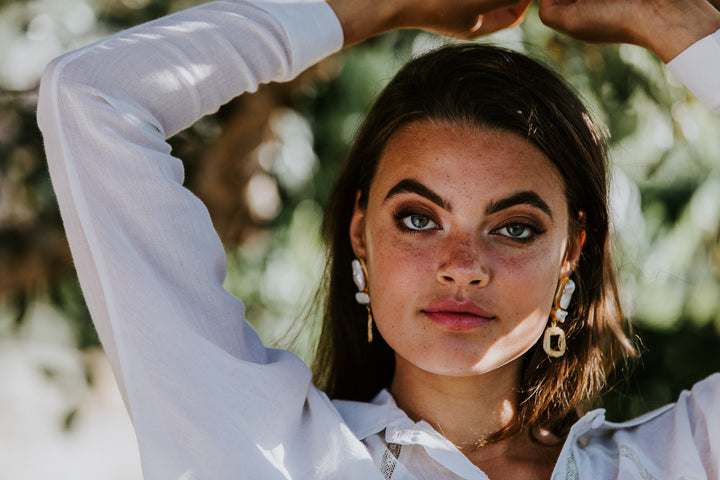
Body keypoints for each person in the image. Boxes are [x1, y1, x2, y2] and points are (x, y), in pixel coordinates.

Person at [37, 0, 720, 478]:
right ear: (361, 232)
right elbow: (91, 95)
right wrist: (374, 4)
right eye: (420, 218)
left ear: (571, 252)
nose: (463, 266)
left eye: (514, 228)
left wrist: (684, 26)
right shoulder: (260, 447)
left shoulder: (677, 462)